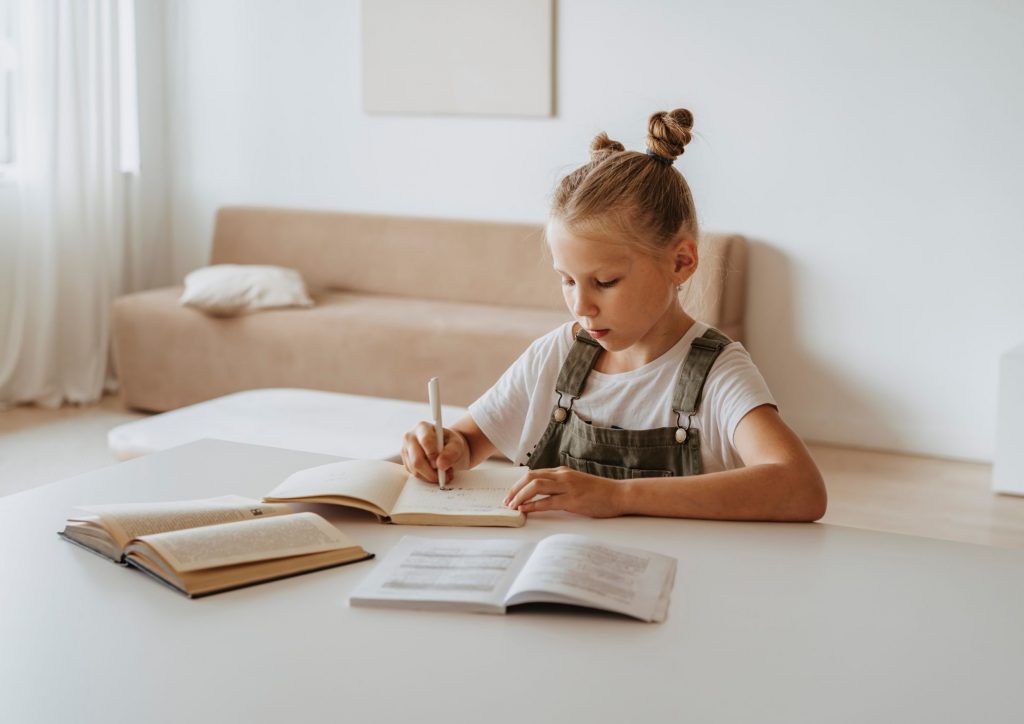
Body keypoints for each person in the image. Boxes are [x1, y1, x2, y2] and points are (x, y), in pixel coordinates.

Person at [401, 108, 827, 522]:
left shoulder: (718, 374)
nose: (581, 307)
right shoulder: (557, 355)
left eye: (604, 282)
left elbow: (801, 488)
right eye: (567, 280)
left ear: (681, 262)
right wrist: (446, 445)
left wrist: (618, 495)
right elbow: (470, 439)